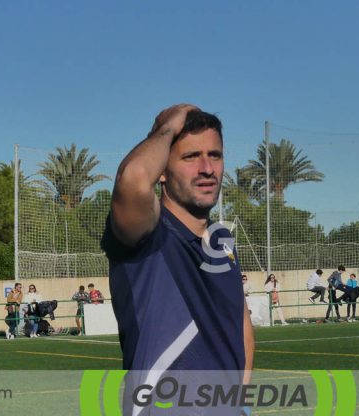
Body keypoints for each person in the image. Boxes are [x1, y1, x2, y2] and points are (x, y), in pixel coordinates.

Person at [100, 104, 254, 377]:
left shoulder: (221, 241)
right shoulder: (147, 234)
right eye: (191, 156)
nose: (207, 168)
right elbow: (134, 177)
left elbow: (240, 323)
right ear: (161, 171)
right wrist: (167, 129)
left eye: (215, 156)